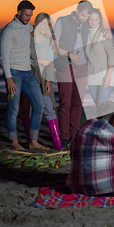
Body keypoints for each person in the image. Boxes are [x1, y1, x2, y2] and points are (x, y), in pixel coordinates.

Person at [0, 0, 46, 150]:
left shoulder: (30, 27)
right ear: (18, 13)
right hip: (14, 74)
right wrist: (9, 79)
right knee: (13, 109)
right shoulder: (9, 30)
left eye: (31, 16)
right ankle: (14, 142)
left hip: (28, 73)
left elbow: (43, 37)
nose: (29, 18)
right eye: (26, 15)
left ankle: (33, 141)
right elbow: (4, 56)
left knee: (39, 105)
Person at [53, 0, 93, 149]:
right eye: (83, 15)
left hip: (82, 67)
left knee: (77, 103)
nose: (84, 19)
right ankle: (64, 137)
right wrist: (69, 54)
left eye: (87, 17)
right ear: (77, 10)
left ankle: (74, 135)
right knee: (65, 103)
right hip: (65, 65)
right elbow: (54, 46)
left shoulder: (86, 25)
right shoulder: (62, 21)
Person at [29, 13, 63, 150]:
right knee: (34, 108)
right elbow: (23, 57)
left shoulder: (49, 40)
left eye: (48, 24)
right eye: (43, 23)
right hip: (29, 76)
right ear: (37, 23)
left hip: (43, 79)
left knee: (49, 108)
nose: (45, 27)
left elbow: (50, 61)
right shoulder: (28, 38)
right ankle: (33, 141)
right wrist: (37, 61)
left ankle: (57, 142)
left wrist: (48, 81)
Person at [85, 9, 114, 116]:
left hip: (105, 77)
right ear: (87, 20)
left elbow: (111, 55)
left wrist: (108, 75)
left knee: (102, 108)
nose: (93, 22)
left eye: (96, 19)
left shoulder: (104, 35)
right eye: (90, 19)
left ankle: (105, 131)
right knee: (98, 109)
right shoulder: (85, 36)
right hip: (91, 78)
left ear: (100, 21)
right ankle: (103, 130)